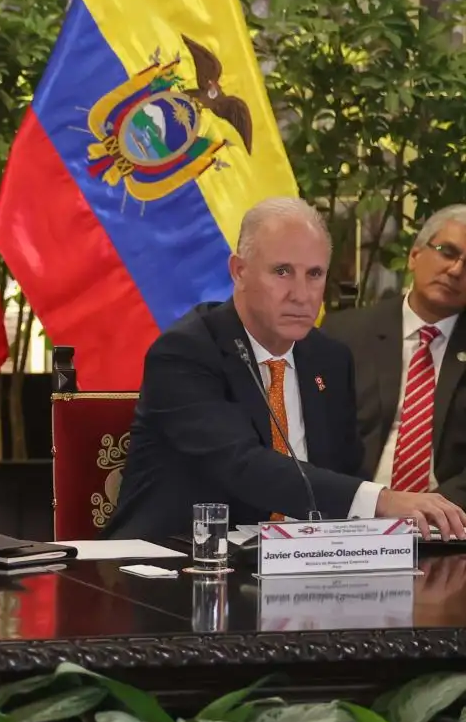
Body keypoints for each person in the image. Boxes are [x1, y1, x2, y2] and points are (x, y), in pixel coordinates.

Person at [108, 198, 466, 541]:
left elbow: (343, 472)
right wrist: (384, 499)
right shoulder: (188, 351)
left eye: (314, 274)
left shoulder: (329, 358)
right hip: (175, 567)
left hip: (302, 569)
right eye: (282, 272)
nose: (301, 294)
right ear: (240, 271)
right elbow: (242, 466)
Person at [323, 205, 466, 507]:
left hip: (448, 524)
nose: (456, 270)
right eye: (447, 252)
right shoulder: (345, 334)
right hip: (353, 515)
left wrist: (428, 509)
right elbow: (314, 439)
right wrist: (371, 502)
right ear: (415, 256)